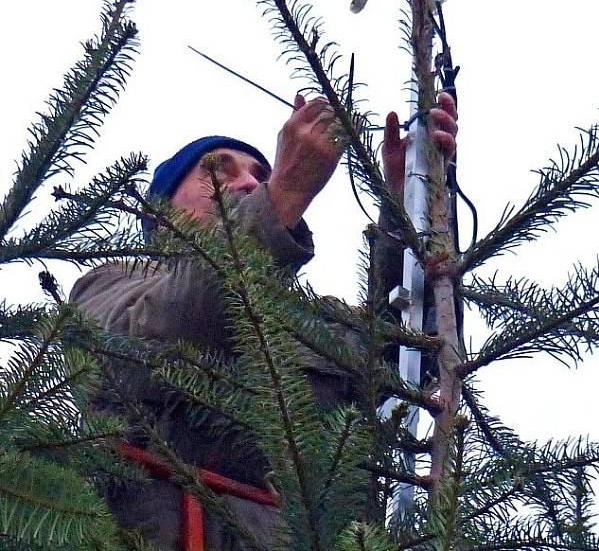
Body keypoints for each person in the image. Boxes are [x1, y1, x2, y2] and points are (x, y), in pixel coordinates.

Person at [70, 92, 458, 551]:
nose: (249, 184)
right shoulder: (113, 284)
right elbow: (150, 343)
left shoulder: (311, 324)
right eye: (218, 169)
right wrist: (285, 193)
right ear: (158, 211)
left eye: (261, 175)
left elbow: (402, 353)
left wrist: (408, 202)